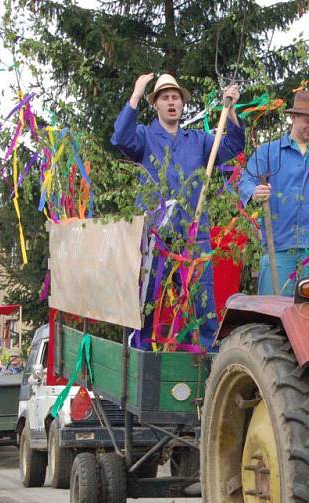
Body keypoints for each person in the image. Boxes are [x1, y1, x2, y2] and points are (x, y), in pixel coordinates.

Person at [111, 73, 245, 349]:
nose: (172, 102)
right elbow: (120, 137)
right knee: (146, 301)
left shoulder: (198, 141)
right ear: (156, 104)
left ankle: (207, 359)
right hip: (154, 237)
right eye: (165, 98)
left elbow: (232, 145)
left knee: (202, 301)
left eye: (176, 98)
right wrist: (136, 93)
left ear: (182, 105)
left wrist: (230, 112)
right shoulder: (144, 137)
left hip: (193, 235)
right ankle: (140, 356)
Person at [239, 91, 309, 295]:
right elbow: (247, 179)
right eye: (308, 121)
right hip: (277, 244)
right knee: (272, 308)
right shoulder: (269, 152)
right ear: (293, 117)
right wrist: (253, 191)